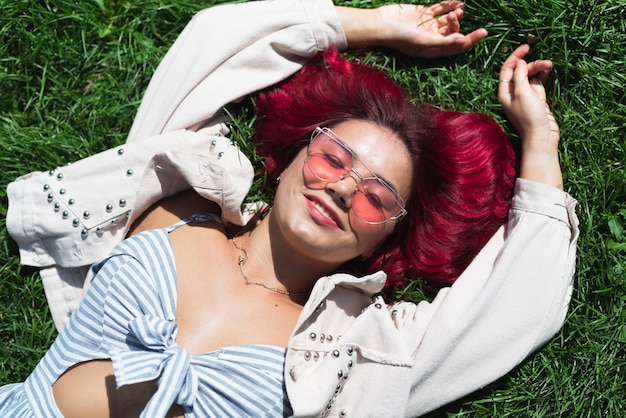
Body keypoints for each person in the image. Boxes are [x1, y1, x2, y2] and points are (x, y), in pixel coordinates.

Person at [1, 1, 578, 417]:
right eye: (333, 158)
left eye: (379, 197)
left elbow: (518, 305)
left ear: (384, 241)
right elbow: (213, 41)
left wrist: (540, 140)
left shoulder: (353, 346)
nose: (345, 188)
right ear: (292, 155)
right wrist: (373, 24)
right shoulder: (175, 199)